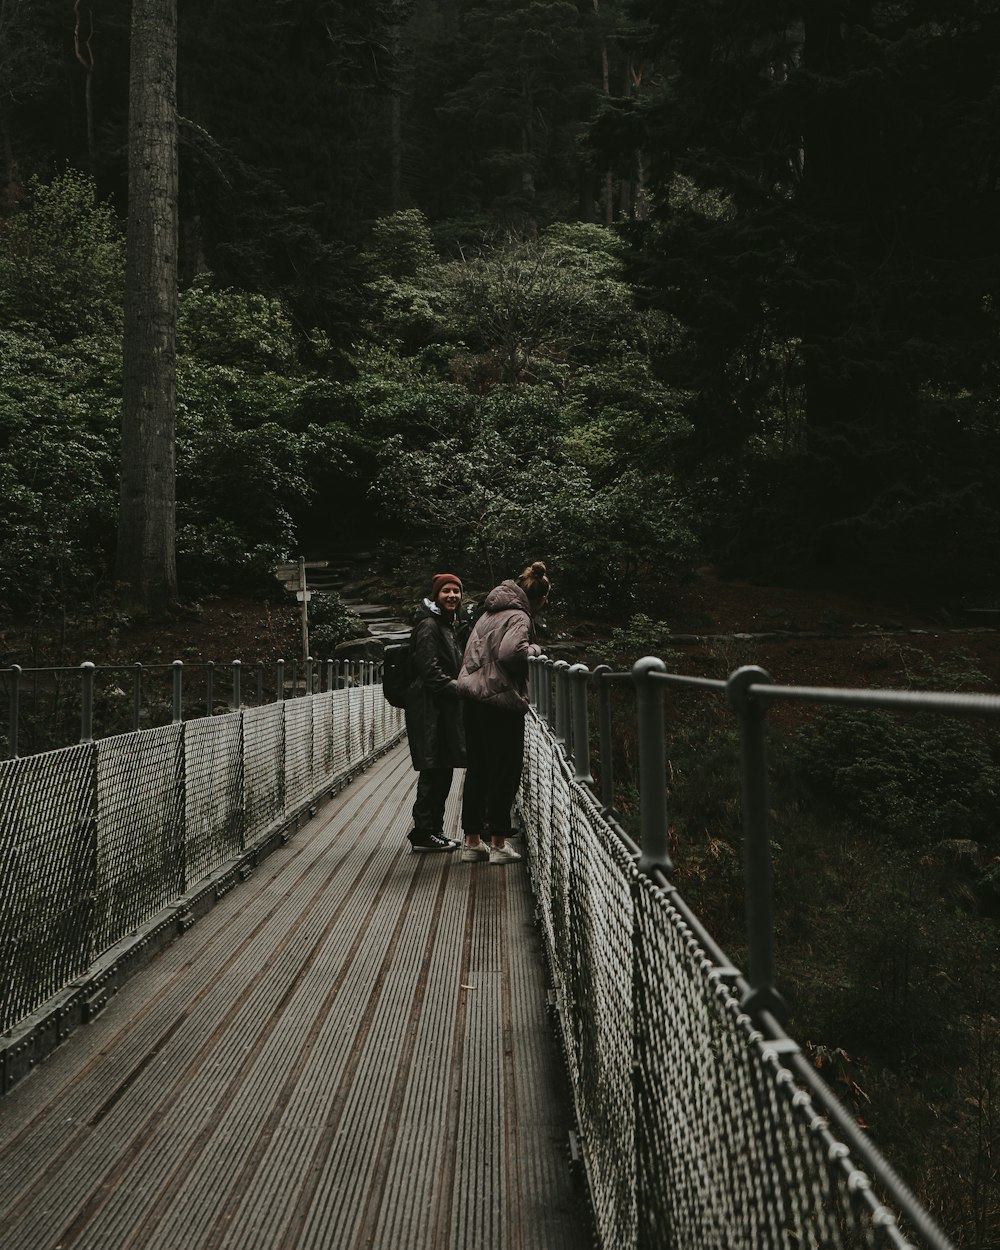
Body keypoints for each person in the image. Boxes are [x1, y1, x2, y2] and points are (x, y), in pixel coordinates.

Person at [457, 560, 551, 865]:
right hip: (500, 702)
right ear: (538, 599)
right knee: (504, 770)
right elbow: (512, 652)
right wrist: (536, 650)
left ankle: (472, 842)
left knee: (478, 768)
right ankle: (498, 843)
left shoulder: (487, 614)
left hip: (473, 698)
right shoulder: (520, 617)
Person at [404, 572, 469, 852]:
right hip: (429, 707)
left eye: (456, 591)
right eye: (446, 591)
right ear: (436, 595)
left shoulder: (446, 624)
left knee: (442, 767)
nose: (452, 595)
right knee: (434, 767)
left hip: (440, 706)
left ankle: (433, 830)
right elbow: (429, 669)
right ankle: (424, 830)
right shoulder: (429, 625)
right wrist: (460, 688)